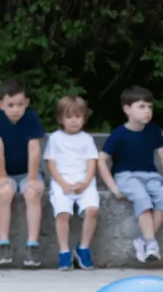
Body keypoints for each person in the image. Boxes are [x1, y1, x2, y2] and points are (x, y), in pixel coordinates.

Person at [97, 85, 163, 263]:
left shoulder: (153, 130)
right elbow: (101, 160)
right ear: (127, 109)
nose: (147, 111)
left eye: (150, 107)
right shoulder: (119, 134)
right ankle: (151, 243)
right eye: (141, 107)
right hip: (126, 176)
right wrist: (113, 187)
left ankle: (144, 240)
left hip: (150, 176)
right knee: (142, 198)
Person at [0, 78, 46, 267]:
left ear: (26, 103)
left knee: (32, 192)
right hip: (6, 171)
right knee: (4, 192)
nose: (16, 109)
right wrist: (2, 176)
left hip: (28, 171)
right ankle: (3, 244)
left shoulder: (31, 118)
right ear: (1, 104)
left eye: (20, 104)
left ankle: (32, 245)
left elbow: (34, 148)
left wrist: (32, 178)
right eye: (11, 105)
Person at [44, 95, 99, 271]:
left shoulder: (87, 139)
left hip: (84, 182)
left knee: (92, 210)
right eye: (69, 117)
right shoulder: (55, 138)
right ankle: (64, 252)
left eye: (78, 116)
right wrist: (63, 183)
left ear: (84, 118)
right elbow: (51, 164)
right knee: (63, 214)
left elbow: (92, 162)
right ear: (61, 119)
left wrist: (85, 182)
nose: (74, 120)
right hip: (62, 182)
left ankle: (83, 248)